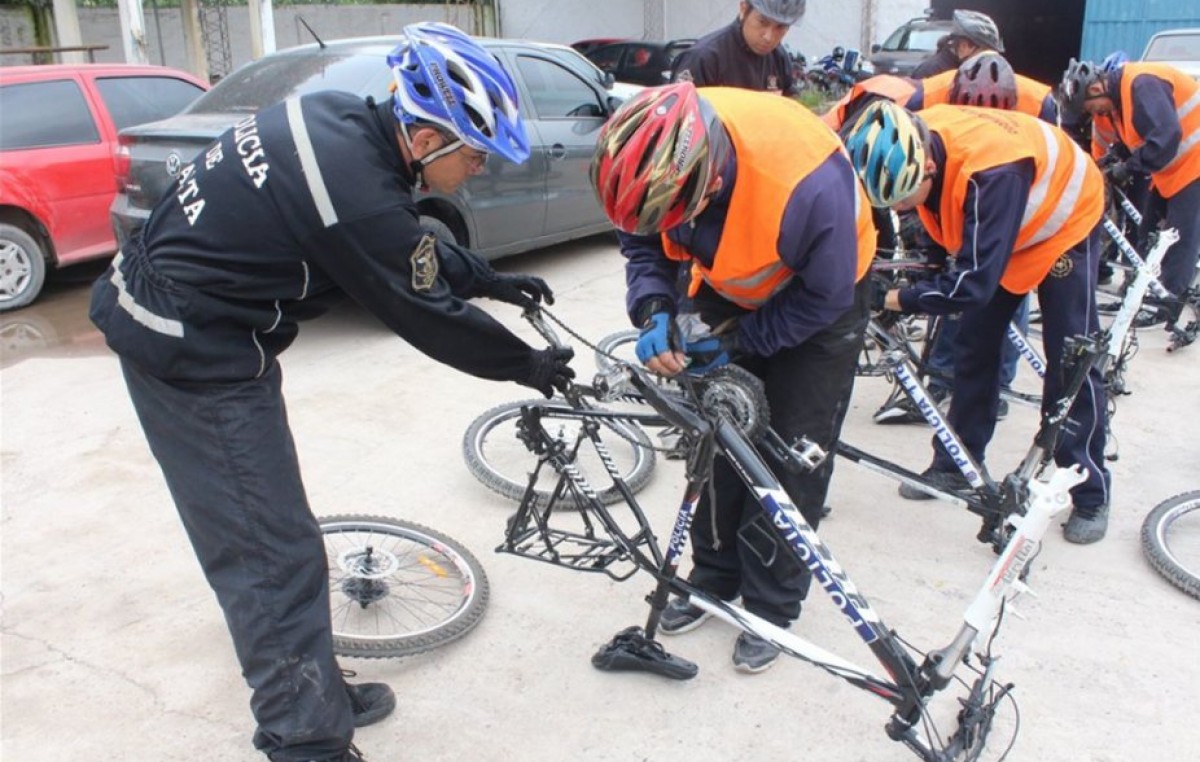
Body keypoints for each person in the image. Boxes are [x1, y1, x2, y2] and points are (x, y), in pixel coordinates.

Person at [87, 22, 574, 762]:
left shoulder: (339, 118)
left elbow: (407, 242)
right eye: (474, 154)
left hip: (205, 323)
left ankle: (310, 686)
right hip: (189, 349)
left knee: (281, 532)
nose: (476, 170)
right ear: (426, 136)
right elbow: (425, 313)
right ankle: (305, 738)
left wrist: (490, 280)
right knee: (267, 550)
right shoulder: (354, 184)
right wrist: (527, 366)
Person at [589, 82, 875, 672]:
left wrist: (742, 343)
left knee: (790, 447)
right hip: (731, 279)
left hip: (821, 299)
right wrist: (654, 309)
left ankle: (772, 605)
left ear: (709, 182)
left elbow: (825, 296)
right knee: (717, 434)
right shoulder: (651, 151)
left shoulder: (808, 187)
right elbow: (643, 244)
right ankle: (715, 576)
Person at [843, 100, 1111, 544]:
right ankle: (957, 462)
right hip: (1005, 219)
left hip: (1063, 220)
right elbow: (940, 220)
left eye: (904, 198)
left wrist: (893, 297)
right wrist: (923, 269)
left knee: (1072, 358)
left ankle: (1089, 491)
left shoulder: (992, 174)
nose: (903, 209)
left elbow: (969, 287)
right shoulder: (921, 141)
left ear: (927, 165)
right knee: (973, 346)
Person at [1060, 57, 1200, 325]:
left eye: (1091, 108)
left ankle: (1165, 306)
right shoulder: (1117, 99)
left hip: (1194, 164)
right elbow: (1134, 139)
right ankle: (1142, 293)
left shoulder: (1141, 83)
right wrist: (1109, 164)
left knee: (1179, 238)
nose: (1094, 114)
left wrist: (1128, 168)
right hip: (1173, 169)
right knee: (1148, 233)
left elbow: (1166, 136)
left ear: (1094, 89)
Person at [670, 0, 806, 94]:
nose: (768, 37)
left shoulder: (779, 58)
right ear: (743, 9)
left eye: (780, 27)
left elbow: (789, 111)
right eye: (762, 22)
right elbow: (678, 122)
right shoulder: (702, 59)